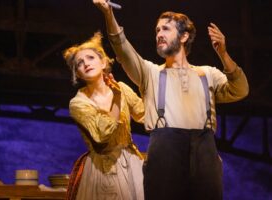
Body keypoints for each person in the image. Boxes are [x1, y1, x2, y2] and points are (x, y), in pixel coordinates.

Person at [93, 1, 249, 200]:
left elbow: (241, 90)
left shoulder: (207, 74)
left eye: (165, 29)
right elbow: (122, 48)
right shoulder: (150, 73)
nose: (159, 34)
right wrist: (108, 14)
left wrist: (223, 54)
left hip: (205, 154)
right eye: (157, 30)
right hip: (165, 154)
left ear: (184, 36)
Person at [63, 32, 146, 200]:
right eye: (80, 63)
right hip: (101, 169)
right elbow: (102, 135)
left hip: (131, 164)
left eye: (90, 58)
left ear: (103, 62)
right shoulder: (78, 103)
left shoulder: (122, 88)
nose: (86, 63)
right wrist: (115, 99)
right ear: (78, 74)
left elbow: (145, 115)